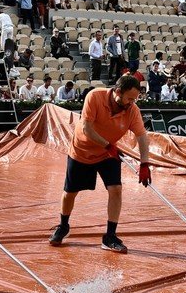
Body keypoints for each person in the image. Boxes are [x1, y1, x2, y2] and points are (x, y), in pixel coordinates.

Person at [48, 75, 151, 253]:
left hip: (107, 154)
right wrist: (107, 146)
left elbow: (142, 136)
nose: (132, 103)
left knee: (116, 190)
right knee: (70, 193)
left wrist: (145, 164)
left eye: (135, 99)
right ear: (118, 92)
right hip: (82, 151)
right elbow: (87, 128)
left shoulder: (132, 110)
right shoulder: (95, 97)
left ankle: (110, 236)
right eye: (129, 98)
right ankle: (63, 226)